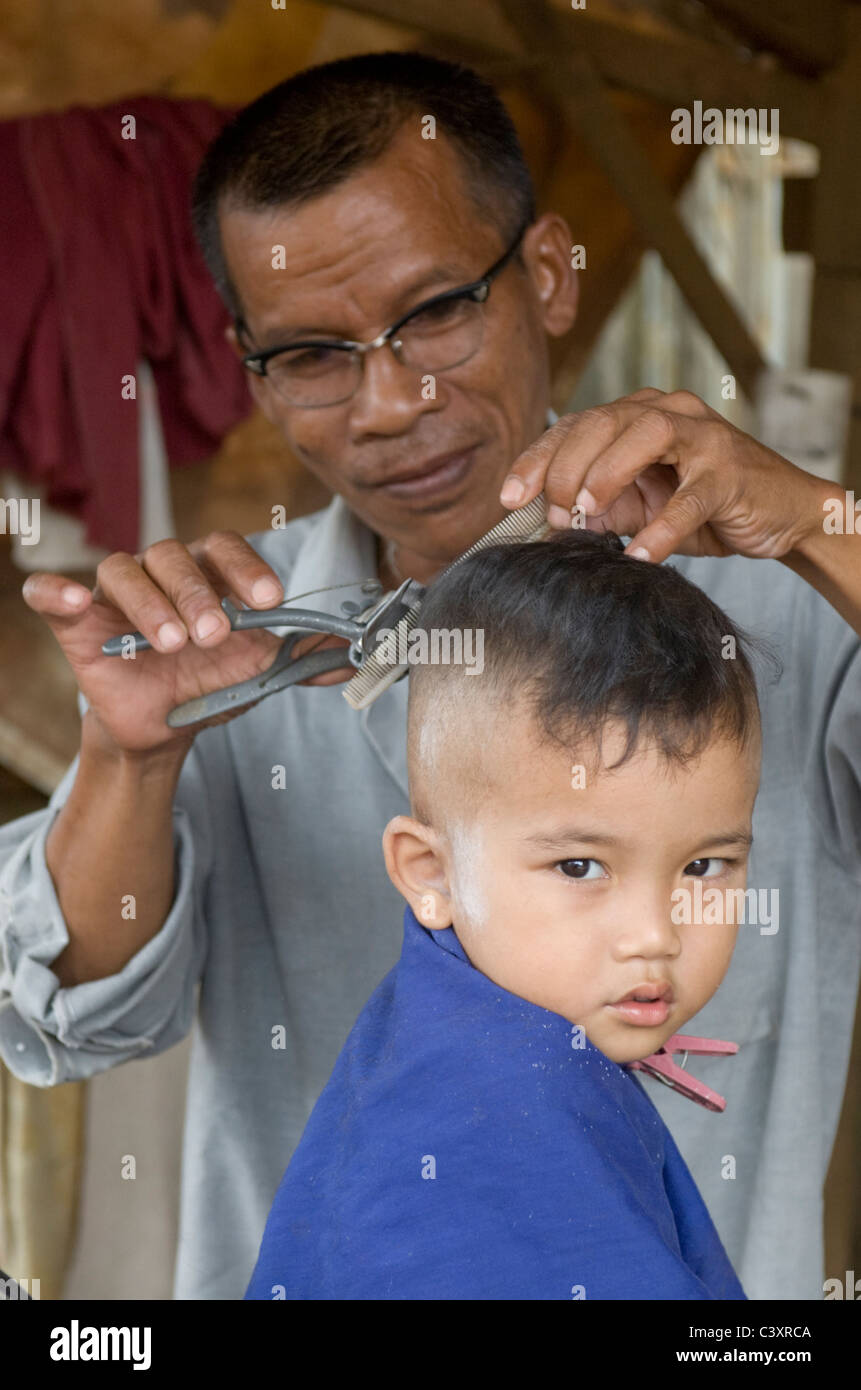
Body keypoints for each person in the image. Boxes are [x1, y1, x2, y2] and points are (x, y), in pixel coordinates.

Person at [0, 52, 858, 1301]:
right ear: (252, 372)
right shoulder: (226, 644)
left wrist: (824, 517)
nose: (390, 402)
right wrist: (128, 755)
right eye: (311, 355)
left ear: (551, 274)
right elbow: (65, 1025)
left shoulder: (780, 594)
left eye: (437, 311)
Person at [246, 529, 764, 1300]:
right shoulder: (508, 1111)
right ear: (431, 872)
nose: (655, 934)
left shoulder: (453, 1035)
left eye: (702, 866)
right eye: (579, 867)